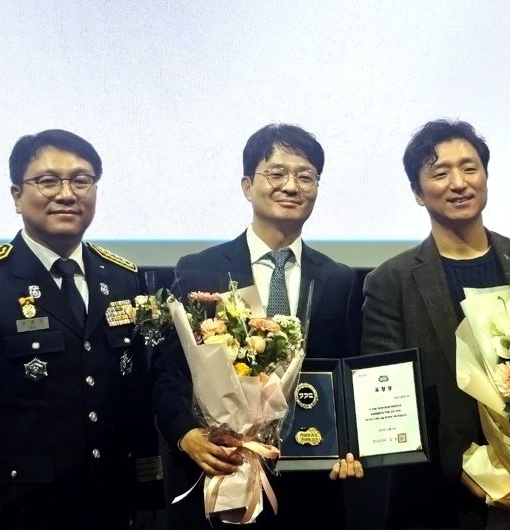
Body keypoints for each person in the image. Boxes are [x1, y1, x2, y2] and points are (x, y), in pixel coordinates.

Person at [0, 129, 163, 529]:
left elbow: (137, 399)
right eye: (48, 181)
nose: (67, 194)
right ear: (17, 195)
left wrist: (147, 491)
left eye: (81, 180)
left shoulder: (122, 278)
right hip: (22, 509)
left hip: (112, 501)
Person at [151, 123, 364, 529]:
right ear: (247, 186)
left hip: (309, 481)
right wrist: (186, 435)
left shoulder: (339, 279)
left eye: (306, 176)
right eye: (276, 173)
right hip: (220, 469)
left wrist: (352, 444)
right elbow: (167, 372)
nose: (291, 186)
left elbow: (349, 374)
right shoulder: (199, 269)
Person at [360, 119, 510, 529]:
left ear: (485, 176)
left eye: (470, 168)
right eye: (440, 173)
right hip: (434, 500)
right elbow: (387, 397)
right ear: (418, 192)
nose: (459, 183)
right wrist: (460, 465)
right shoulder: (391, 281)